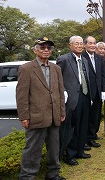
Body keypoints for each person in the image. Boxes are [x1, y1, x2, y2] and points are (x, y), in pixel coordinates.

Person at [16, 37, 66, 180]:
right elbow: (21, 95)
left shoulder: (56, 68)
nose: (46, 50)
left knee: (54, 149)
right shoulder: (26, 68)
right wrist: (24, 116)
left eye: (49, 48)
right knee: (32, 149)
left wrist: (62, 111)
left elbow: (60, 92)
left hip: (54, 115)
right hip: (36, 116)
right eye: (42, 47)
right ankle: (27, 176)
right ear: (35, 50)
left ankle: (53, 174)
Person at [57, 35, 91, 166]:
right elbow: (58, 79)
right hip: (71, 98)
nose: (79, 46)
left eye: (81, 43)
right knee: (71, 128)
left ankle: (80, 151)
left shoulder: (84, 60)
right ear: (70, 45)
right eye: (76, 43)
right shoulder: (64, 59)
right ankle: (69, 155)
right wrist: (63, 92)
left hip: (85, 96)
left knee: (83, 125)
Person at [83, 36, 105, 146]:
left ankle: (92, 136)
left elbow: (102, 76)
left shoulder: (99, 58)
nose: (92, 45)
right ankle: (85, 139)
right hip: (86, 92)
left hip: (97, 92)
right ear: (85, 45)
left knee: (95, 116)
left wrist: (103, 90)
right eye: (90, 43)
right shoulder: (82, 57)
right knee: (86, 116)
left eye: (94, 43)